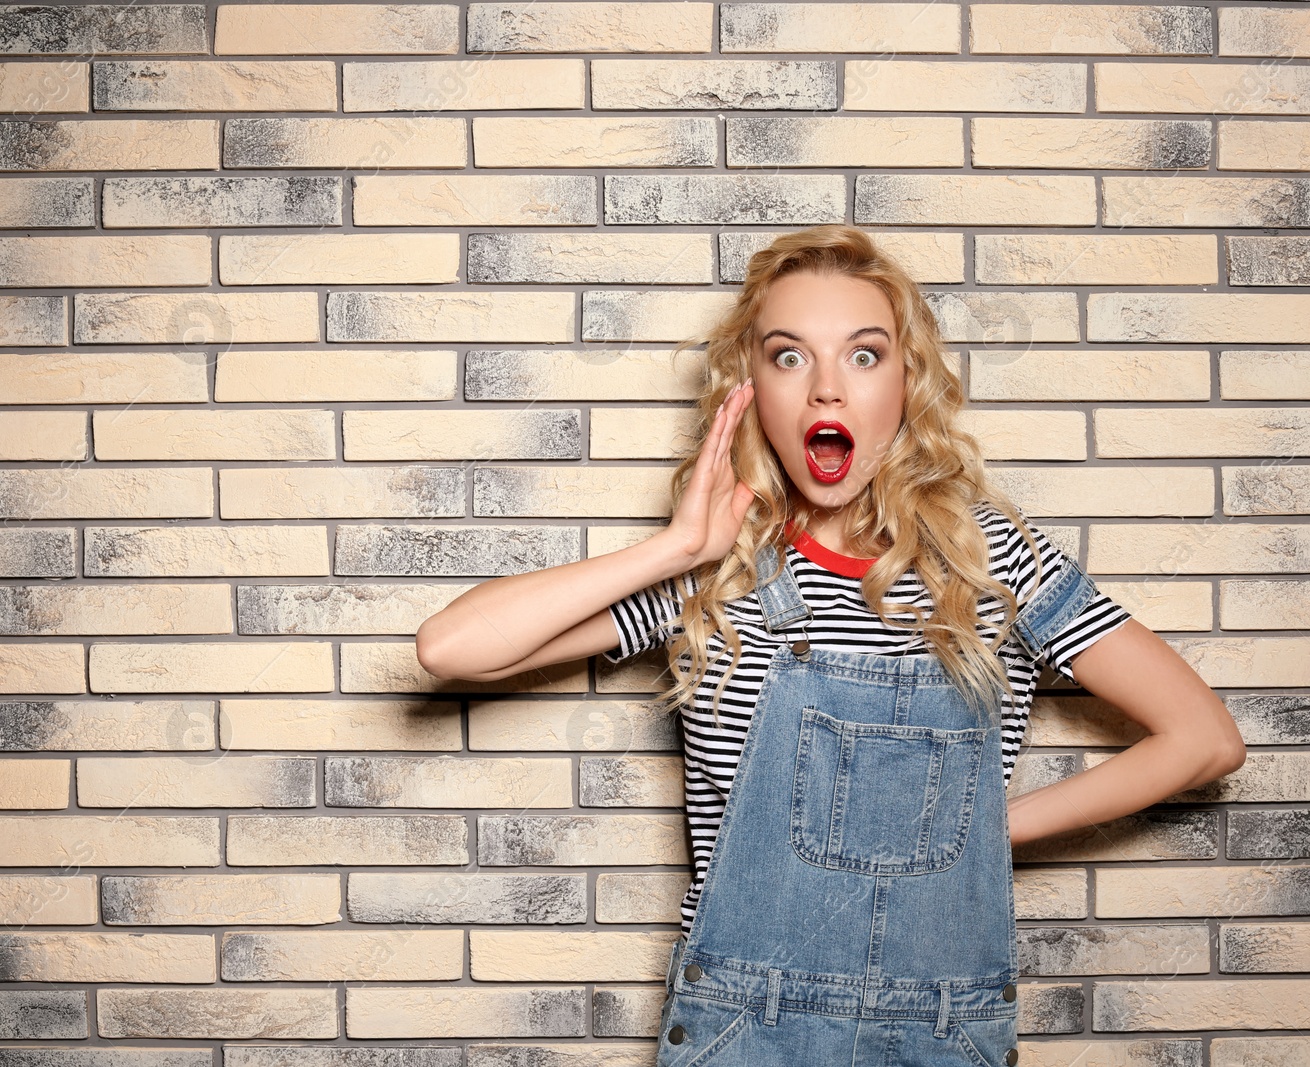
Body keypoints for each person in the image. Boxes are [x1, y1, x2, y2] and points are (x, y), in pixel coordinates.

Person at [416, 225, 1247, 1066]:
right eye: (788, 357)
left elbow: (1204, 739)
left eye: (862, 355)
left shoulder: (993, 564)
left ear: (906, 380)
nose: (825, 392)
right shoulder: (720, 571)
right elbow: (453, 648)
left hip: (940, 1031)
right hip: (740, 1031)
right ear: (750, 388)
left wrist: (979, 833)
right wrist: (674, 548)